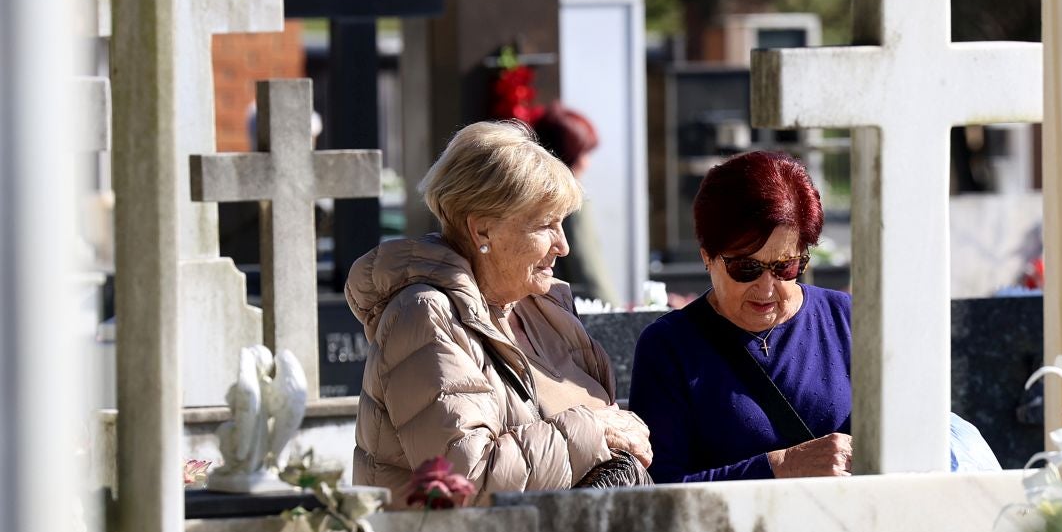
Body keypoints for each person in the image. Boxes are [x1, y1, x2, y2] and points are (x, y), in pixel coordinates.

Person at [628, 150, 1000, 483]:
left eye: (785, 266)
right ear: (707, 256)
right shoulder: (668, 348)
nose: (766, 288)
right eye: (745, 268)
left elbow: (913, 446)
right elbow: (661, 492)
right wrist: (779, 467)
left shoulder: (850, 321)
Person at [345, 120, 653, 505]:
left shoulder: (542, 307)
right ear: (482, 231)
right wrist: (595, 432)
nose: (563, 246)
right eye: (546, 225)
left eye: (563, 224)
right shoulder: (424, 315)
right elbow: (470, 479)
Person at [531, 102, 620, 307]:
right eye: (582, 153)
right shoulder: (571, 200)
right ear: (567, 155)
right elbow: (587, 269)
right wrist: (616, 312)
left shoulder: (528, 196)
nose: (586, 163)